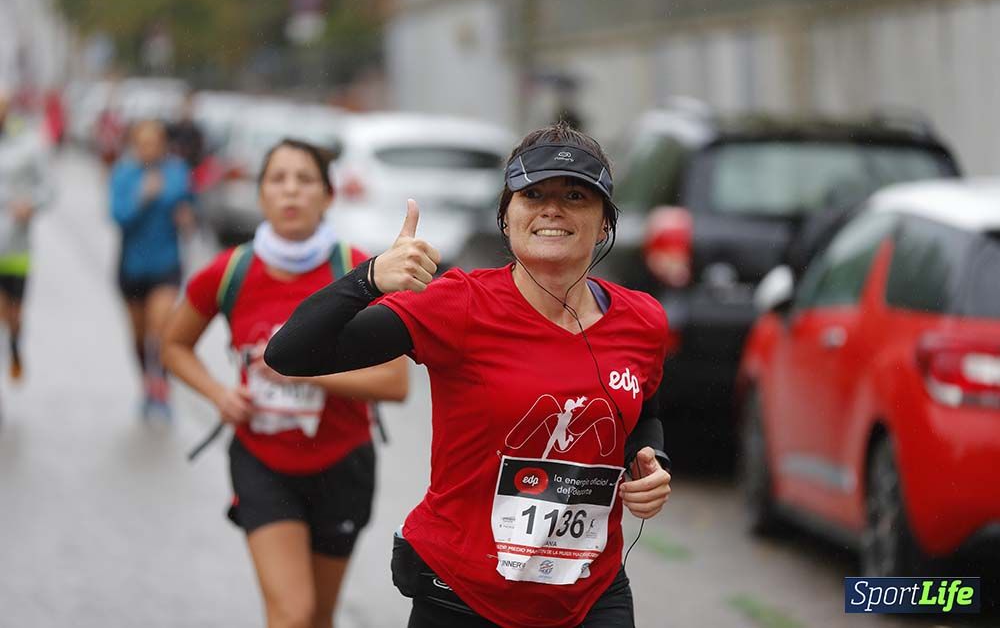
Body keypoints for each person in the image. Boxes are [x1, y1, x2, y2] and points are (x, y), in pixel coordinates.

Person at [265, 123, 673, 628]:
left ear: (604, 222)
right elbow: (291, 354)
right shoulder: (460, 305)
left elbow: (642, 411)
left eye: (575, 196)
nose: (553, 209)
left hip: (590, 597)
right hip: (464, 598)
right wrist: (369, 278)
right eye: (533, 194)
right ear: (507, 216)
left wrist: (647, 464)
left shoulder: (643, 320)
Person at [162, 138, 409, 628]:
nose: (291, 191)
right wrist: (218, 394)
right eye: (277, 179)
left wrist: (308, 370)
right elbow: (173, 345)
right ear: (261, 195)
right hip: (263, 461)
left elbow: (395, 382)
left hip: (342, 462)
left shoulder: (361, 271)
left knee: (318, 617)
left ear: (327, 195)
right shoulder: (231, 271)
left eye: (305, 179)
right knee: (292, 615)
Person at [109, 119, 195, 420]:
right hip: (131, 266)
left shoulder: (177, 171)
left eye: (154, 143)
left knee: (160, 327)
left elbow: (188, 206)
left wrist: (186, 218)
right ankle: (147, 381)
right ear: (134, 145)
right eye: (143, 144)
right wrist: (142, 197)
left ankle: (161, 384)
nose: (149, 149)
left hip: (166, 264)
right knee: (139, 335)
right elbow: (118, 217)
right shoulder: (124, 173)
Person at [0, 90, 54, 385]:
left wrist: (30, 205)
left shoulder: (27, 144)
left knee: (14, 315)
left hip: (16, 247)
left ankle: (14, 345)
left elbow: (48, 188)